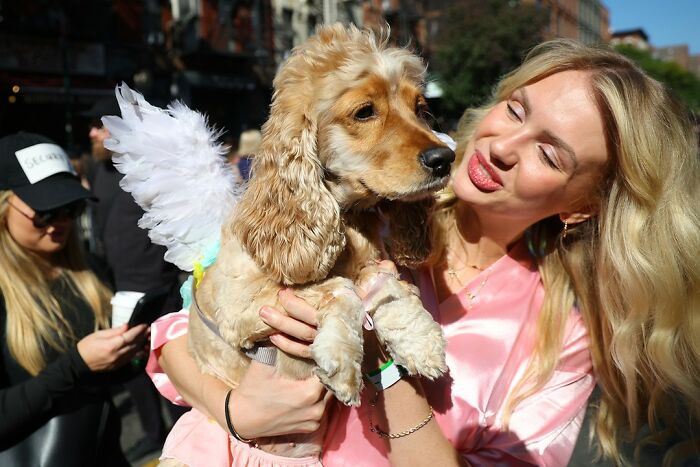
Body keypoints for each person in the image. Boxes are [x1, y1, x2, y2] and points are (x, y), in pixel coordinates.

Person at [149, 39, 699, 466]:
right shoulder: (362, 203)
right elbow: (180, 330)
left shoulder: (564, 335)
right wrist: (234, 410)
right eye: (515, 110)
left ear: (581, 205)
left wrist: (383, 366)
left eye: (549, 154)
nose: (501, 147)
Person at [0, 132, 150, 465]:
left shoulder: (87, 270)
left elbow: (101, 380)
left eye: (70, 207)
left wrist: (131, 355)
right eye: (45, 212)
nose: (60, 223)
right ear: (4, 205)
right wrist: (77, 364)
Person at [85, 99, 189, 461]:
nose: (92, 133)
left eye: (100, 125)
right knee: (132, 369)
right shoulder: (99, 170)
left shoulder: (147, 168)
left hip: (156, 287)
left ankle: (182, 435)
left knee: (171, 364)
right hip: (118, 286)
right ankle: (151, 433)